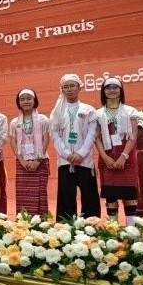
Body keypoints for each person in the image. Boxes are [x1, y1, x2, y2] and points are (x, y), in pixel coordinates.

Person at [50, 73, 101, 220]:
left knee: (89, 195)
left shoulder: (89, 109)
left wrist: (81, 153)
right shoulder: (57, 111)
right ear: (62, 90)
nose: (69, 89)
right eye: (65, 87)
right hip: (65, 161)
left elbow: (92, 134)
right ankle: (66, 227)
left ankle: (91, 226)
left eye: (72, 86)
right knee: (66, 196)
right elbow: (54, 134)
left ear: (79, 88)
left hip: (85, 160)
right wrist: (67, 154)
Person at [95, 78, 140, 226]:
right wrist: (105, 157)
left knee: (129, 196)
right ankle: (113, 229)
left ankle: (131, 230)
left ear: (121, 90)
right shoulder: (97, 114)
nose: (112, 90)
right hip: (107, 160)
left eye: (115, 87)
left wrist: (123, 156)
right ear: (103, 92)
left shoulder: (130, 111)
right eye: (108, 88)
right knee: (111, 196)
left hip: (126, 159)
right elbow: (97, 138)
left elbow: (133, 136)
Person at [9, 89, 51, 217]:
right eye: (22, 99)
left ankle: (40, 222)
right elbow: (13, 142)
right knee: (23, 194)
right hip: (22, 162)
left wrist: (38, 160)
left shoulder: (43, 119)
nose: (25, 101)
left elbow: (46, 139)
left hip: (40, 161)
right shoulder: (14, 122)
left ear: (34, 100)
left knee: (40, 194)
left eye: (29, 98)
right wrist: (22, 161)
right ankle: (24, 222)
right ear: (18, 102)